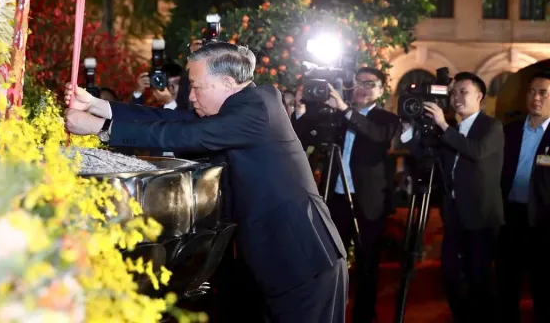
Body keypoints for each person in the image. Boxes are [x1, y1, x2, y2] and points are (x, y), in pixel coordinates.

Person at [64, 42, 348, 323]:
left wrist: (102, 129)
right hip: (279, 262)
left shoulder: (258, 106)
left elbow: (186, 135)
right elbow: (174, 120)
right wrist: (98, 106)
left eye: (196, 87)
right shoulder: (240, 108)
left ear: (227, 83)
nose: (192, 96)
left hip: (303, 261)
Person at [401, 72, 504, 323]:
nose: (456, 97)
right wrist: (408, 132)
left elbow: (476, 151)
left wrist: (443, 126)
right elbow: (431, 159)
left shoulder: (491, 127)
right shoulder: (453, 130)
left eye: (463, 92)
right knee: (450, 275)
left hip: (481, 217)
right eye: (454, 92)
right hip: (454, 214)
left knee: (479, 279)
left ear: (479, 96)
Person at [321, 67, 399, 323]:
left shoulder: (387, 119)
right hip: (337, 197)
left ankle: (364, 315)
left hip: (368, 201)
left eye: (369, 83)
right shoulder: (337, 115)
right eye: (358, 82)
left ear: (381, 90)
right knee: (332, 260)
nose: (362, 88)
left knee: (367, 263)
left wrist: (346, 110)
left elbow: (376, 135)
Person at [498, 70, 550, 323]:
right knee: (506, 285)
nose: (535, 98)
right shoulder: (510, 131)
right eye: (531, 91)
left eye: (543, 93)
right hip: (510, 218)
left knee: (542, 289)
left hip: (543, 222)